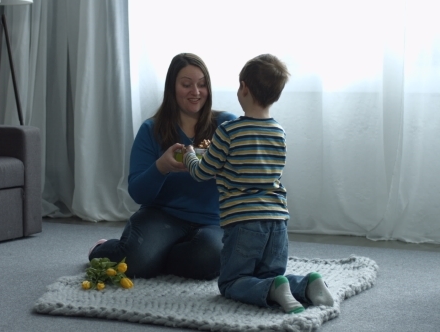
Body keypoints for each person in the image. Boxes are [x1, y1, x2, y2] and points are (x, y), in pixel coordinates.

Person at [182, 54, 334, 313]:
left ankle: (274, 290)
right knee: (272, 275)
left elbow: (202, 172)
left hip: (244, 222)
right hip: (277, 220)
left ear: (244, 88)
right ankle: (308, 285)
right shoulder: (278, 131)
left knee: (231, 282)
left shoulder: (228, 131)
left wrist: (189, 157)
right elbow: (260, 167)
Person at [88, 53, 237, 280]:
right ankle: (105, 248)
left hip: (212, 220)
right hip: (161, 216)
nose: (196, 92)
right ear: (172, 88)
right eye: (186, 85)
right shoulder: (151, 130)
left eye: (202, 85)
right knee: (135, 264)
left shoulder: (226, 124)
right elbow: (138, 192)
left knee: (209, 260)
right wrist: (161, 167)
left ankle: (156, 256)